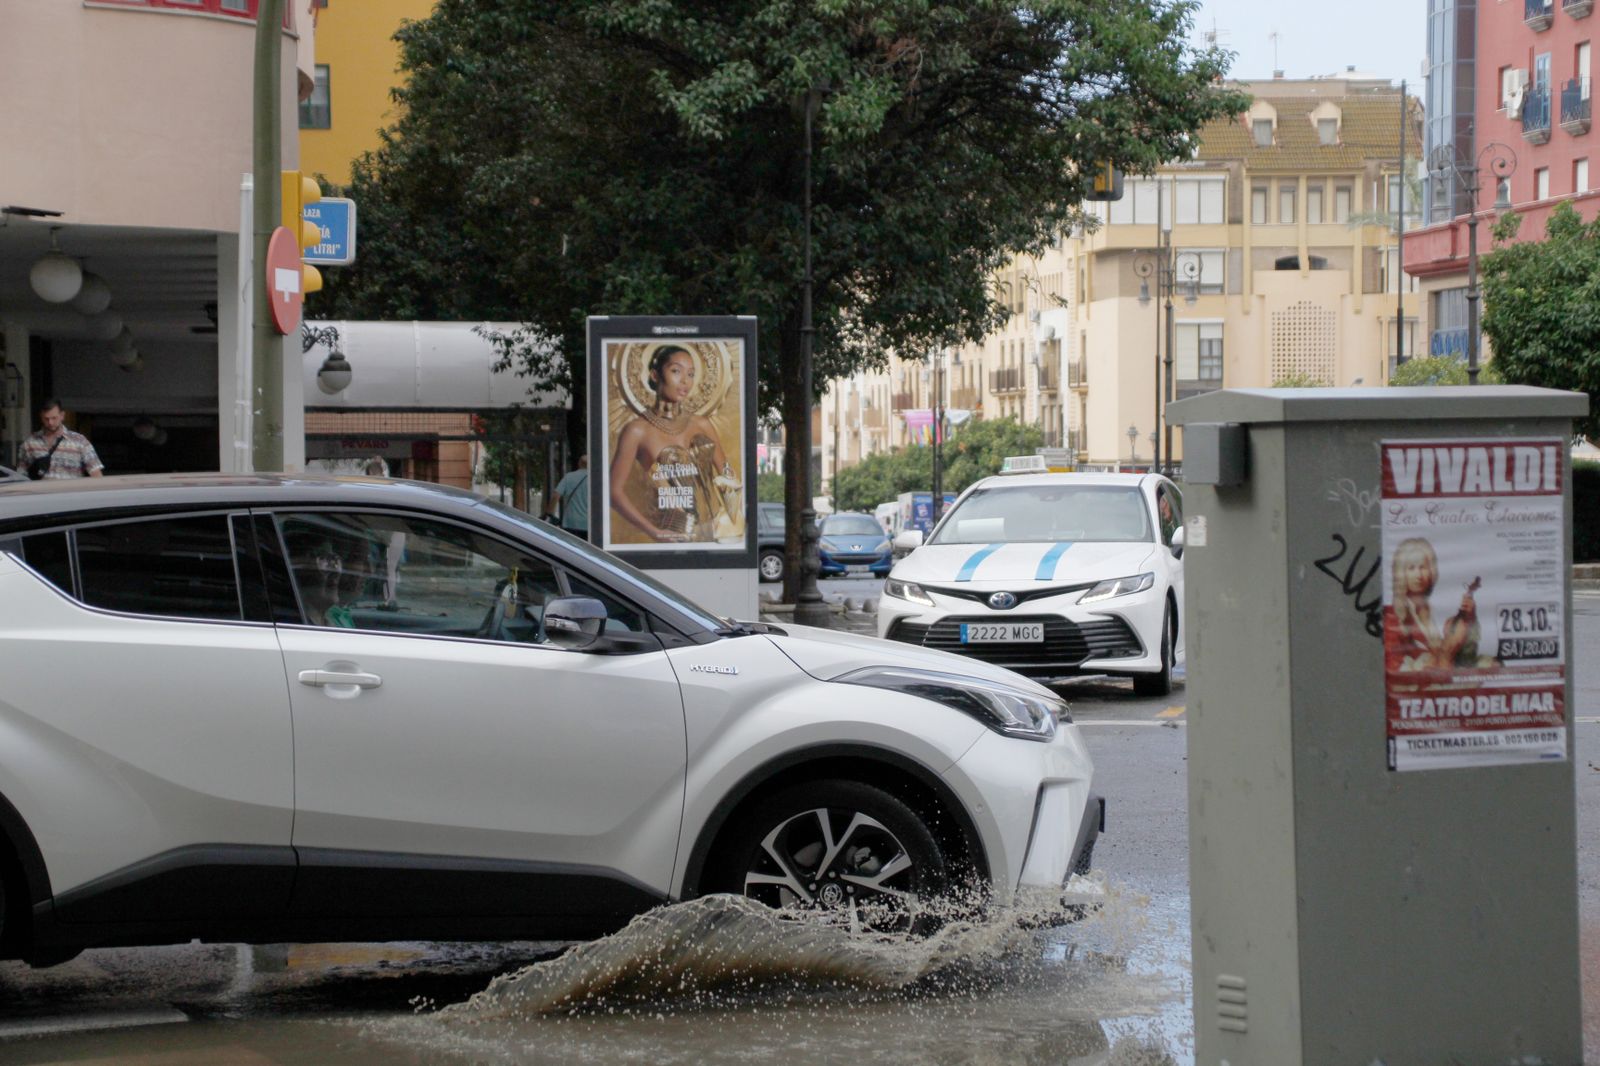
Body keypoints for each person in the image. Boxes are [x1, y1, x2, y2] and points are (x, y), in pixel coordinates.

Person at [609, 345, 739, 543]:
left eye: (691, 374)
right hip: (670, 534)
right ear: (655, 375)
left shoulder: (702, 425)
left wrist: (730, 521)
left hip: (713, 534)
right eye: (676, 371)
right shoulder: (636, 431)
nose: (685, 381)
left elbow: (727, 476)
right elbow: (613, 492)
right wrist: (655, 532)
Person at [1384, 537, 1483, 672]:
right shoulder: (1393, 615)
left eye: (1423, 567)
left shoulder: (1433, 611)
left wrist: (1469, 618)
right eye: (1411, 568)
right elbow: (1395, 667)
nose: (1418, 575)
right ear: (1401, 573)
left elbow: (1464, 655)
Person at [18, 398, 103, 480]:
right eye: (46, 419)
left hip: (69, 493)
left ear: (62, 416)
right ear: (41, 417)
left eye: (54, 418)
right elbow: (20, 475)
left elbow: (96, 473)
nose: (50, 422)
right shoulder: (29, 443)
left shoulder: (80, 441)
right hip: (41, 493)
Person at [548, 454, 590, 537]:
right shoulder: (595, 478)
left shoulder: (569, 477)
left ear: (579, 463)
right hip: (590, 524)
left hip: (571, 523)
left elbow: (556, 495)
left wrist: (550, 513)